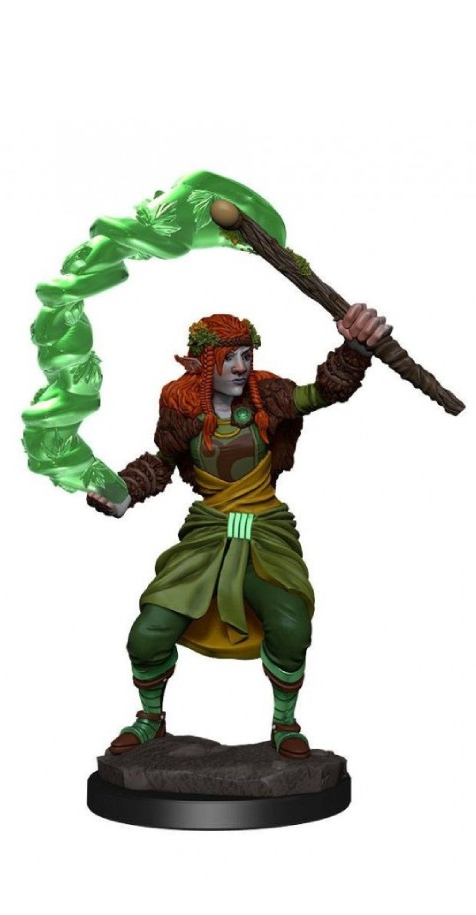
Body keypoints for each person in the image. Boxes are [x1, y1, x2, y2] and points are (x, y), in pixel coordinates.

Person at [87, 303, 390, 758]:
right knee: (148, 632)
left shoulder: (267, 397)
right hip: (208, 535)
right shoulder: (182, 408)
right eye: (228, 357)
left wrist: (355, 350)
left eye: (246, 355)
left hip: (266, 532)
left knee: (291, 626)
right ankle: (150, 718)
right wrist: (124, 492)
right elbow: (161, 462)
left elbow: (321, 393)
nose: (240, 367)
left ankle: (285, 722)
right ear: (201, 363)